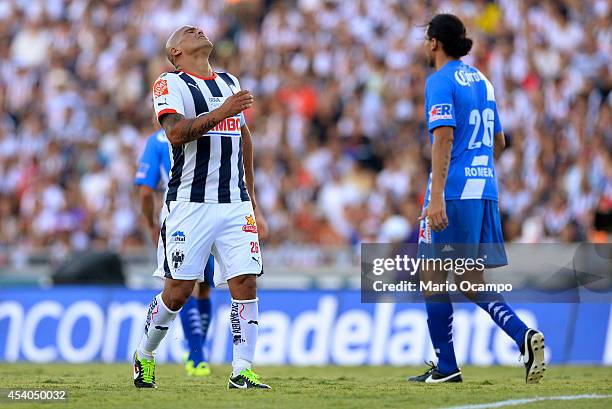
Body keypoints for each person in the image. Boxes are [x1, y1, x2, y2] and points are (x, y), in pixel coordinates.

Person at [408, 14, 545, 384]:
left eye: (426, 39)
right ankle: (522, 336)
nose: (424, 46)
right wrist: (475, 167)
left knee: (432, 278)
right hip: (484, 189)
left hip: (451, 193)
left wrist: (437, 196)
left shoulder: (440, 80)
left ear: (435, 42)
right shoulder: (482, 80)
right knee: (469, 279)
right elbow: (499, 141)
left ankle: (447, 366)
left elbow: (444, 138)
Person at [133, 25, 270, 389]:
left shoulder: (229, 80)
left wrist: (252, 198)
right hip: (189, 203)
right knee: (178, 291)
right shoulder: (169, 84)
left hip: (234, 203)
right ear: (175, 52)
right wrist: (224, 110)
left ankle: (242, 369)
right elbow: (175, 133)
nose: (196, 29)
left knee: (244, 281)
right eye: (185, 32)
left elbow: (243, 136)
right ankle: (145, 354)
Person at [134, 128, 215, 377]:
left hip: (180, 214)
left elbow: (146, 190)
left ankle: (196, 355)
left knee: (191, 285)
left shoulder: (157, 140)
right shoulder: (205, 130)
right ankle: (198, 356)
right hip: (213, 212)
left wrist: (150, 223)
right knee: (200, 287)